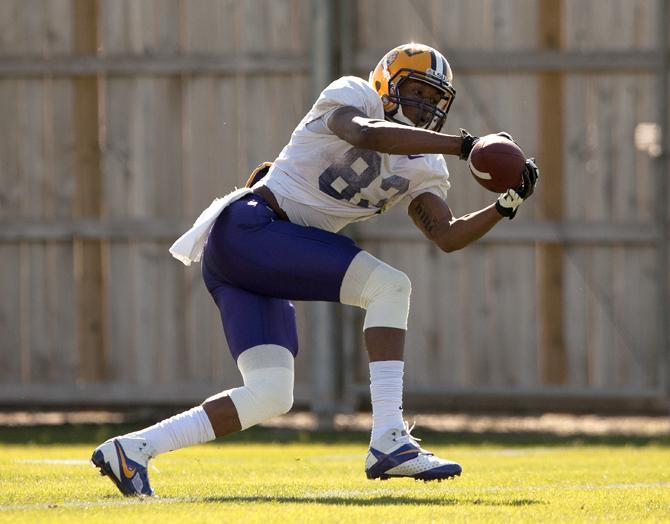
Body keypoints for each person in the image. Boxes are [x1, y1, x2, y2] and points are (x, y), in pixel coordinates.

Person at [91, 42, 538, 496]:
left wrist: (505, 205)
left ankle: (132, 449)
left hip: (255, 254)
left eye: (433, 99)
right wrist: (465, 145)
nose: (424, 106)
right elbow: (366, 134)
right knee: (389, 287)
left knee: (270, 392)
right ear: (386, 82)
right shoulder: (354, 94)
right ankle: (389, 440)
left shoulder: (426, 162)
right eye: (416, 92)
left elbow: (446, 235)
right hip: (252, 227)